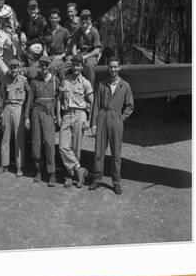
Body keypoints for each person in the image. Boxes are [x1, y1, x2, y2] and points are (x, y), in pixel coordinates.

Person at [89, 57, 134, 194]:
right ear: (108, 68)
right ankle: (97, 179)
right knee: (99, 151)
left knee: (116, 153)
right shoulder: (103, 84)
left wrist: (121, 117)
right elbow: (96, 104)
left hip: (116, 119)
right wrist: (94, 123)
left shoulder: (124, 85)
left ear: (119, 68)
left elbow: (130, 105)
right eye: (111, 67)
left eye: (115, 67)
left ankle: (116, 181)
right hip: (103, 116)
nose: (113, 69)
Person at [57, 55, 92, 188]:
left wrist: (89, 119)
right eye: (74, 65)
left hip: (79, 114)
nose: (76, 67)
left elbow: (92, 101)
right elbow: (59, 99)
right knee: (63, 147)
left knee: (76, 148)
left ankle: (72, 177)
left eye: (79, 65)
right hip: (66, 114)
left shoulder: (85, 82)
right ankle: (79, 168)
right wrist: (58, 116)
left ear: (82, 67)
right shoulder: (65, 80)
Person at [25, 56, 60, 186]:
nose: (44, 68)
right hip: (36, 112)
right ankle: (38, 170)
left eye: (46, 65)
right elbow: (29, 100)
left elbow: (59, 99)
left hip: (49, 113)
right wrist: (27, 117)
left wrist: (58, 115)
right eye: (42, 65)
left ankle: (52, 173)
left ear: (49, 66)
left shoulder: (56, 80)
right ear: (39, 66)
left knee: (50, 143)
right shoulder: (34, 81)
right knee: (36, 142)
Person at [0, 59, 30, 177]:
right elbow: (1, 95)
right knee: (5, 137)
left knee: (18, 138)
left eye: (16, 67)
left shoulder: (24, 80)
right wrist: (1, 111)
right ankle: (4, 165)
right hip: (7, 107)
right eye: (12, 67)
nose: (14, 69)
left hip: (19, 108)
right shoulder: (5, 80)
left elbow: (30, 95)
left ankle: (19, 167)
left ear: (19, 68)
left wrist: (26, 114)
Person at [71, 9, 102, 85]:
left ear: (90, 19)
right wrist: (76, 57)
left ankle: (90, 91)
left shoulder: (94, 31)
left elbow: (97, 50)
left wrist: (85, 57)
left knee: (89, 66)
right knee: (67, 65)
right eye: (82, 19)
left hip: (90, 55)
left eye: (86, 19)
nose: (84, 21)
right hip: (79, 55)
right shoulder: (78, 32)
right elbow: (74, 47)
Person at [43, 8, 70, 73]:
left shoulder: (64, 31)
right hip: (49, 57)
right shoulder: (47, 32)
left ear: (59, 19)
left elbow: (69, 47)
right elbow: (45, 47)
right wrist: (44, 54)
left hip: (59, 57)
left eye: (55, 18)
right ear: (49, 19)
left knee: (51, 67)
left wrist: (61, 56)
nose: (53, 20)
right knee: (37, 66)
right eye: (52, 18)